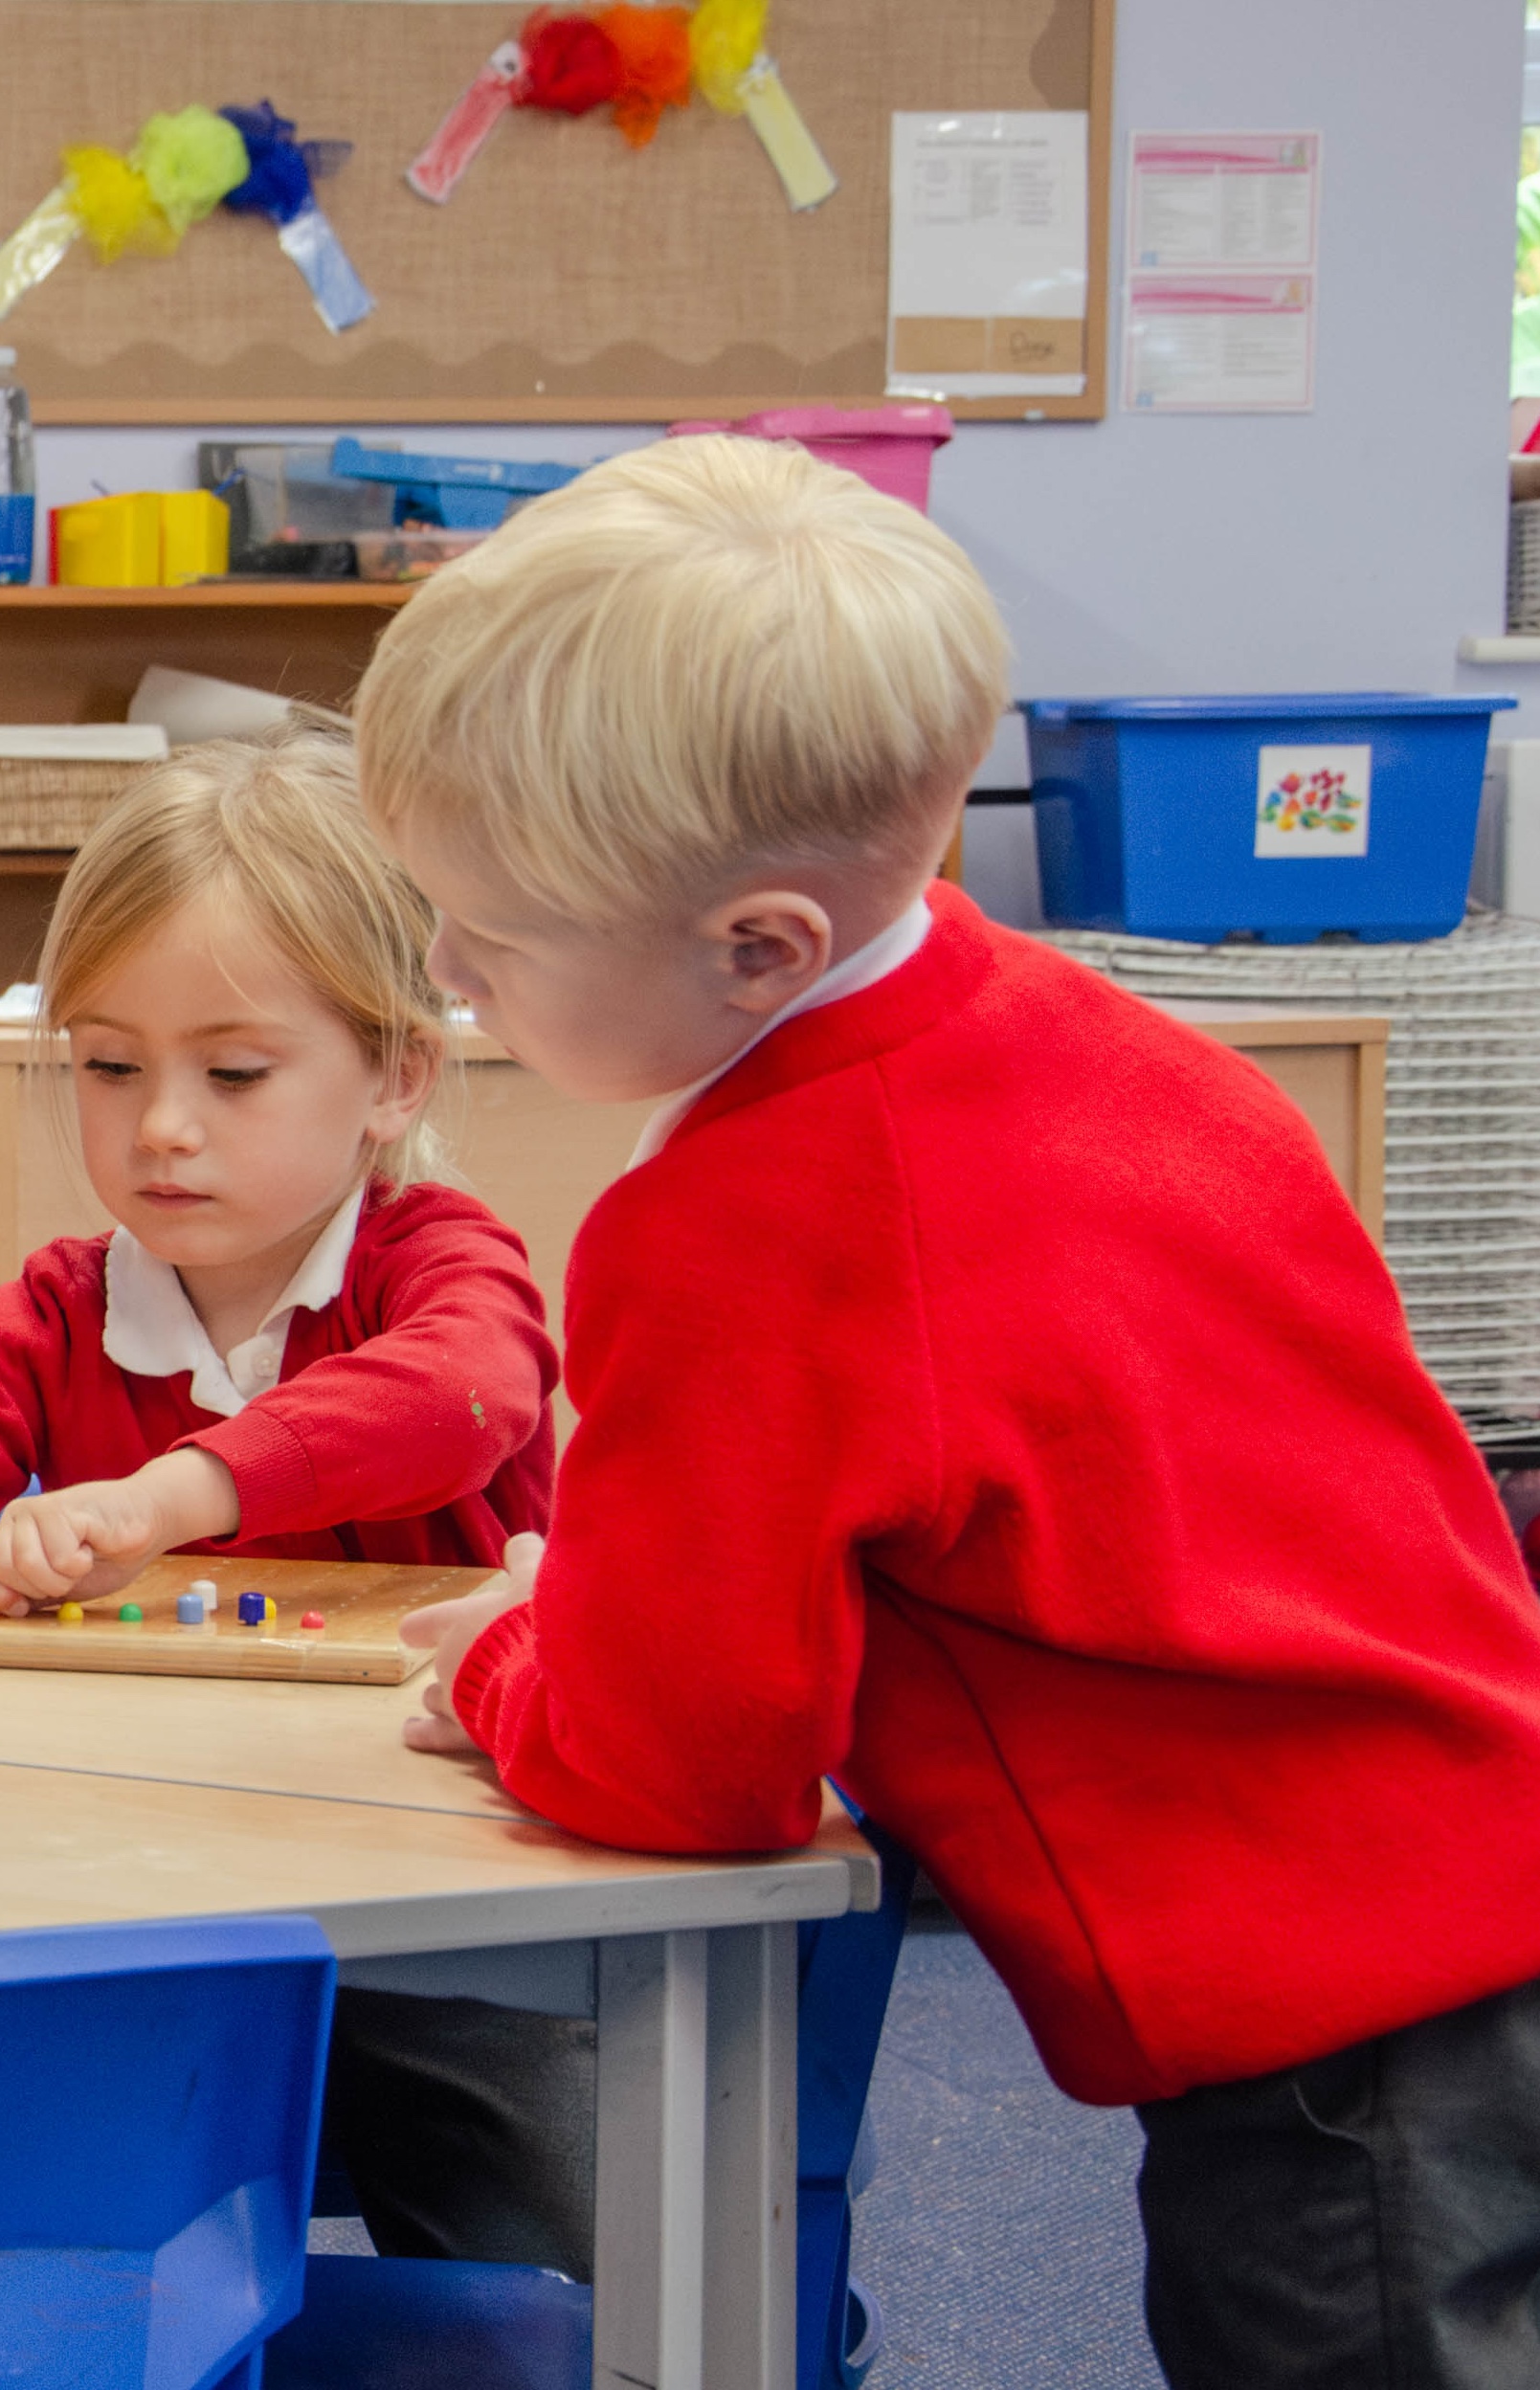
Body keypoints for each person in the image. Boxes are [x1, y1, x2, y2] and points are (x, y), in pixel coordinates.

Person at [365, 434, 1540, 2388]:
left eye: (486, 944)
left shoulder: (735, 1227)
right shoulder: (1137, 1060)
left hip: (1331, 2048)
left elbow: (680, 1775)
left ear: (761, 947)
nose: (444, 974)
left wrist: (517, 1655)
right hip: (1471, 1898)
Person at [0, 730, 587, 2276]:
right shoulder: (61, 1303)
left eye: (232, 1073)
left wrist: (172, 1492)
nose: (160, 1123)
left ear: (393, 1074)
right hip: (150, 1881)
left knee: (558, 2263)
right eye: (110, 1066)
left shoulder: (436, 1259)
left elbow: (460, 1401)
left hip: (449, 1906)